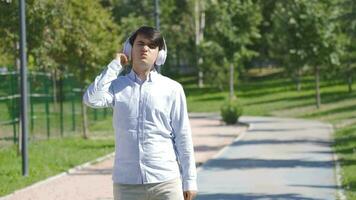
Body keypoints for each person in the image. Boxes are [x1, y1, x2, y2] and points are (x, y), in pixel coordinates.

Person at [83, 26, 197, 200]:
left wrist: (189, 180)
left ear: (159, 54)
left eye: (151, 46)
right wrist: (115, 65)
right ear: (130, 49)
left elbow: (183, 136)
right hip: (127, 184)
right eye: (140, 43)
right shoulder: (116, 86)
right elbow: (91, 99)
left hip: (166, 182)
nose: (145, 48)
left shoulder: (173, 89)